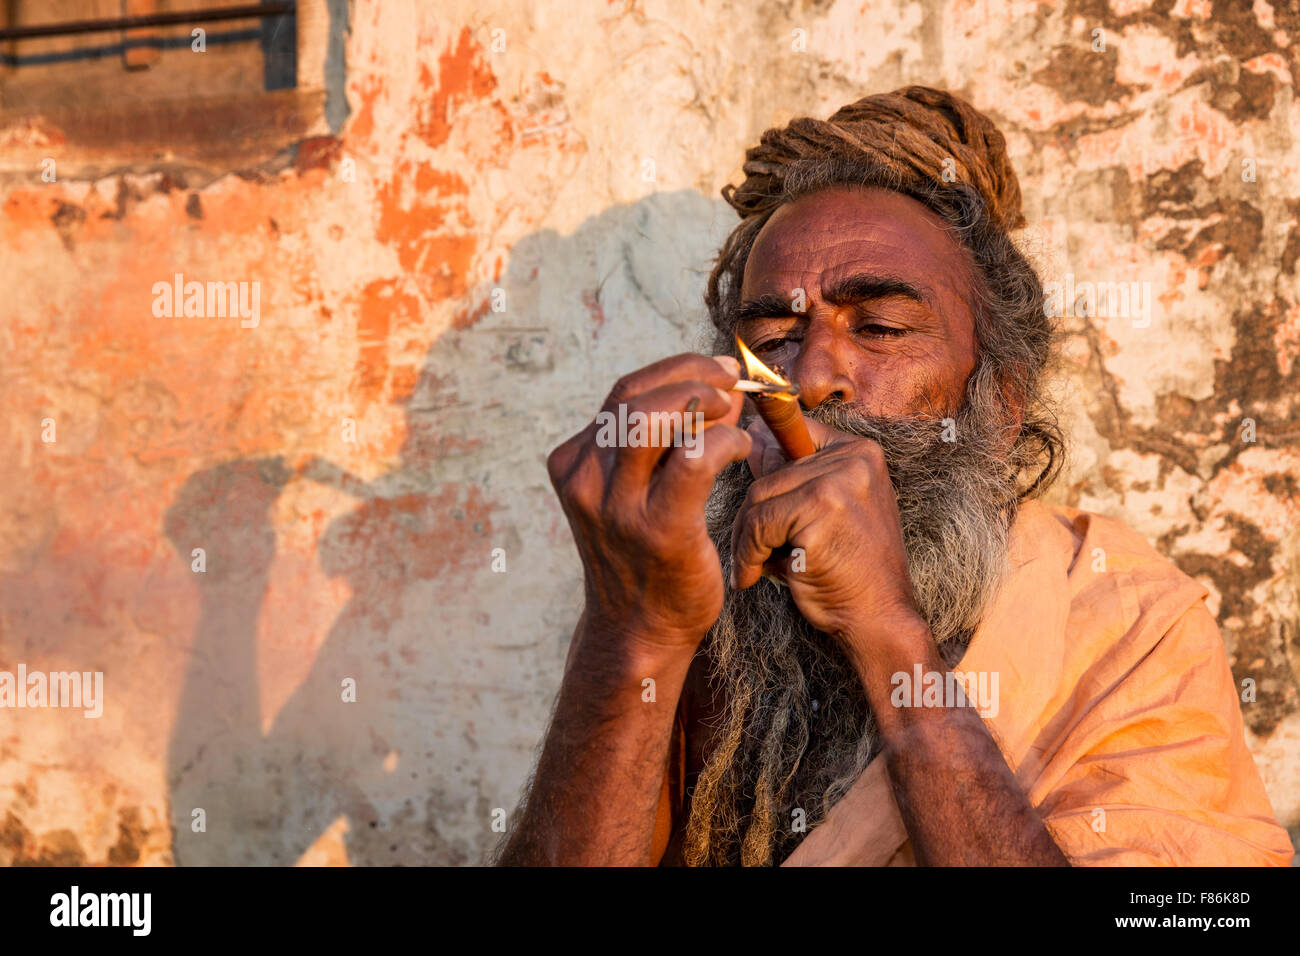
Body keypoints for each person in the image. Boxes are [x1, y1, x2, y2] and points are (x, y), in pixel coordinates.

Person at [495, 86, 1292, 866]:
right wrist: (630, 633)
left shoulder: (1128, 629)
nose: (811, 380)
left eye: (877, 328)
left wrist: (887, 632)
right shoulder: (692, 601)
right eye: (771, 336)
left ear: (1001, 402)